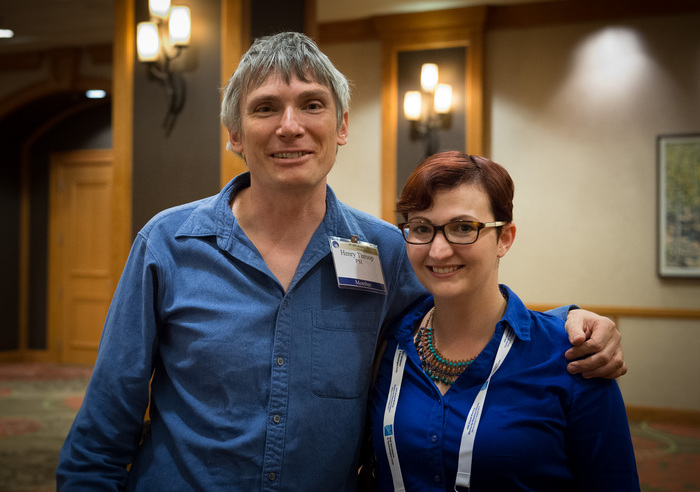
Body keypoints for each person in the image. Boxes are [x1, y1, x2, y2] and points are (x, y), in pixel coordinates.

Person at [57, 32, 625, 491]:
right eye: (265, 108)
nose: (290, 126)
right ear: (234, 134)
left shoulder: (386, 251)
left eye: (312, 104)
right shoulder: (169, 243)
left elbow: (462, 315)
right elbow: (105, 425)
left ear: (342, 126)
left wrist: (568, 321)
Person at [369, 152, 639, 491]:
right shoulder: (390, 344)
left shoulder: (574, 358)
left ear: (505, 239)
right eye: (422, 228)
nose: (438, 251)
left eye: (463, 228)